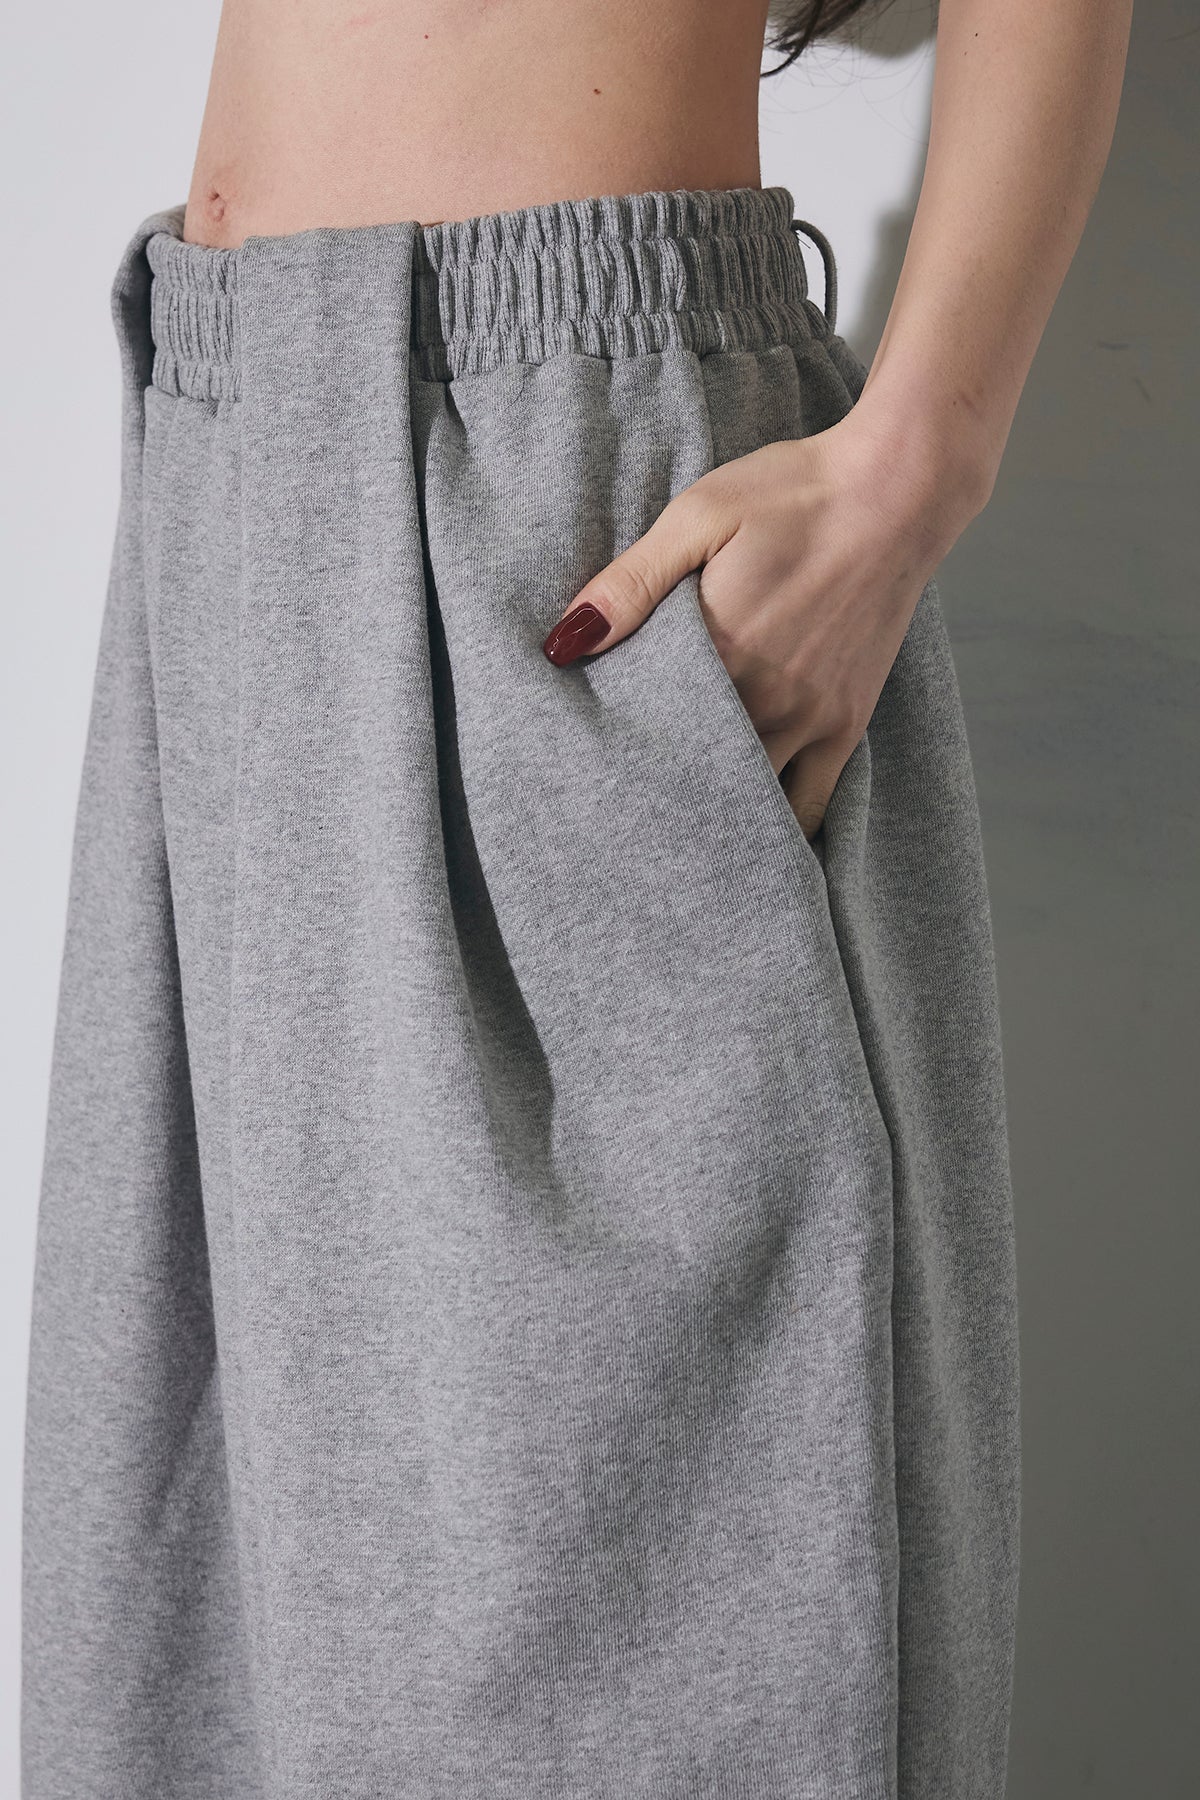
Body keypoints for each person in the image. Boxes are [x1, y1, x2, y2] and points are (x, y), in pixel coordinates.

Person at [21, 1, 1133, 1796]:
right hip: (230, 493)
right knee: (207, 1679)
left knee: (673, 1658)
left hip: (571, 493)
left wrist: (916, 466)